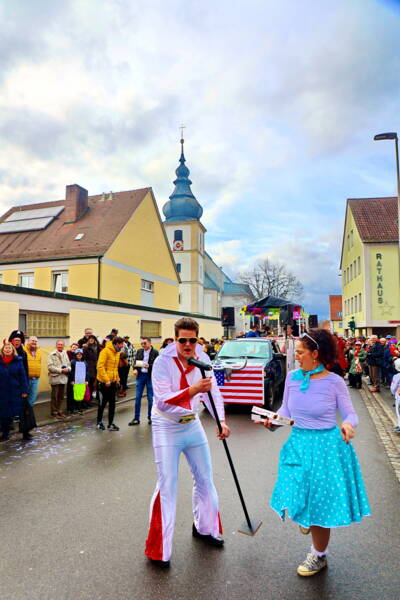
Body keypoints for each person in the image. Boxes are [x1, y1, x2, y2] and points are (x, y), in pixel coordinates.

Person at [261, 329, 370, 576]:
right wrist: (273, 422)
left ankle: (319, 555)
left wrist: (348, 425)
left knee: (319, 505)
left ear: (315, 354)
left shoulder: (334, 382)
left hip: (326, 449)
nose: (296, 357)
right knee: (296, 491)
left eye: (300, 352)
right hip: (298, 444)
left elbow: (350, 413)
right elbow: (286, 410)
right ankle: (307, 518)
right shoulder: (292, 378)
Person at [144, 317, 230, 567]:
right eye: (183, 340)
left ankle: (205, 528)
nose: (188, 345)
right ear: (175, 339)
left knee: (205, 478)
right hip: (166, 425)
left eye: (193, 340)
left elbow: (213, 393)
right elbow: (161, 400)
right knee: (167, 485)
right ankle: (159, 550)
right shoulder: (162, 362)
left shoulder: (202, 360)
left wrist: (221, 421)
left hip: (192, 424)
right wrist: (193, 390)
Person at [0, 342, 30, 441]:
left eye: (9, 348)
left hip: (16, 391)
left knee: (22, 413)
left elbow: (23, 377)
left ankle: (26, 433)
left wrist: (25, 391)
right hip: (3, 393)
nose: (7, 349)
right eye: (6, 348)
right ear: (2, 350)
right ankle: (5, 433)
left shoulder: (18, 361)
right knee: (5, 414)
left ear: (13, 350)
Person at [96, 336, 124, 431]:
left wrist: (117, 379)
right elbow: (100, 367)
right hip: (104, 383)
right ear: (116, 343)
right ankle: (99, 422)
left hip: (112, 383)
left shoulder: (117, 352)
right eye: (121, 344)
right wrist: (106, 379)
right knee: (102, 403)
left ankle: (110, 424)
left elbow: (115, 368)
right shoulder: (105, 351)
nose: (122, 346)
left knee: (112, 404)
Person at [129, 337, 158, 426]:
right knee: (137, 397)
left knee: (150, 398)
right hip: (141, 376)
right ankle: (136, 418)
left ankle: (151, 417)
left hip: (150, 377)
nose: (143, 345)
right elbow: (136, 362)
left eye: (145, 343)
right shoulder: (140, 351)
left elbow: (158, 365)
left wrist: (149, 366)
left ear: (150, 343)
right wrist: (135, 369)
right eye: (142, 343)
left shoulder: (155, 352)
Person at [47, 340, 71, 419]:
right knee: (55, 396)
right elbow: (50, 367)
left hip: (63, 378)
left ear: (63, 346)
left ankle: (59, 411)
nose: (60, 346)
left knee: (61, 396)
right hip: (55, 378)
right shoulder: (51, 354)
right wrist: (61, 370)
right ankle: (54, 412)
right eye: (59, 344)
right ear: (56, 345)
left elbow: (68, 364)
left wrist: (68, 369)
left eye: (61, 344)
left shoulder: (65, 354)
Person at [24, 336, 42, 407]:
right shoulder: (24, 350)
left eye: (35, 341)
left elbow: (39, 363)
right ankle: (22, 414)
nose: (34, 342)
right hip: (26, 379)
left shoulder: (38, 351)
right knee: (24, 397)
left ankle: (28, 413)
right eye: (32, 341)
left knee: (33, 397)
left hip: (36, 379)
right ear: (28, 341)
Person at [82, 335, 100, 402]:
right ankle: (87, 400)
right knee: (89, 384)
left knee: (93, 384)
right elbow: (83, 358)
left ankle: (90, 399)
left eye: (93, 338)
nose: (91, 340)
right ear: (88, 340)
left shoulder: (97, 347)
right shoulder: (86, 348)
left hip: (96, 367)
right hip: (89, 367)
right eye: (90, 339)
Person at [70, 348, 88, 414]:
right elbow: (71, 372)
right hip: (75, 381)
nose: (79, 355)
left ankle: (79, 408)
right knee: (75, 395)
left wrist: (86, 380)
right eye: (78, 354)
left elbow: (87, 372)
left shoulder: (85, 362)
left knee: (81, 394)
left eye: (80, 354)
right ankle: (74, 408)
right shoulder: (73, 362)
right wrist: (72, 380)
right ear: (75, 355)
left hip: (82, 381)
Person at [390, 358, 400, 434]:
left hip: (398, 397)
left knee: (398, 412)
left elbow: (393, 387)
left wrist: (393, 392)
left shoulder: (396, 376)